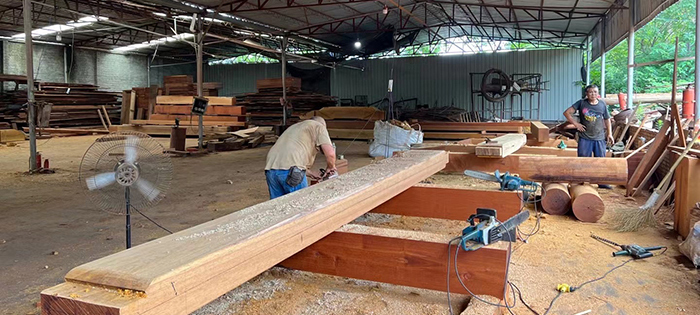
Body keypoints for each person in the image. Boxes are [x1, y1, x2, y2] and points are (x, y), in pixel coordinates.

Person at [264, 116, 336, 199]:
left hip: (270, 170)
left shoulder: (295, 127)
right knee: (300, 204)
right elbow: (330, 154)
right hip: (291, 172)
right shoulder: (319, 126)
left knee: (277, 206)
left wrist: (311, 173)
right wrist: (331, 167)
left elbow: (288, 161)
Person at [563, 84, 614, 189]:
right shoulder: (581, 103)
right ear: (586, 94)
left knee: (600, 161)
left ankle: (601, 182)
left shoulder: (602, 105)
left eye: (595, 92)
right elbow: (567, 113)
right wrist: (576, 124)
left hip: (599, 137)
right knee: (582, 160)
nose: (593, 94)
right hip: (585, 138)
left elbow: (607, 119)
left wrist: (609, 134)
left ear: (598, 93)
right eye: (590, 92)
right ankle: (581, 181)